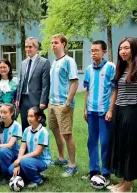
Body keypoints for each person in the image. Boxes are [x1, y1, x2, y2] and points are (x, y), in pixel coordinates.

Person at [107, 37, 137, 192]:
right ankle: (123, 182)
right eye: (120, 49)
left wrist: (130, 108)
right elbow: (117, 91)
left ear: (134, 49)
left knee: (131, 149)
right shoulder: (123, 68)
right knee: (121, 147)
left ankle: (127, 186)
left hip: (132, 113)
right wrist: (115, 109)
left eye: (126, 48)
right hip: (119, 111)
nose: (122, 52)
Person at [81, 40, 116, 184]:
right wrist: (84, 109)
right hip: (91, 112)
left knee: (106, 142)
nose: (93, 53)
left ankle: (106, 172)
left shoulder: (111, 67)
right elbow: (87, 90)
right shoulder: (88, 69)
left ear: (104, 52)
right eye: (91, 50)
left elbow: (115, 90)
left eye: (96, 50)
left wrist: (111, 110)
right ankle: (93, 170)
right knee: (92, 142)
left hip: (104, 112)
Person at [49, 34, 79, 177]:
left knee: (66, 134)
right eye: (52, 43)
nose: (53, 45)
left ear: (63, 44)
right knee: (55, 131)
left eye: (56, 43)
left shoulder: (69, 61)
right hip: (53, 103)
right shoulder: (54, 62)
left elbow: (74, 82)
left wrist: (67, 102)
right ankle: (61, 158)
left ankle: (72, 165)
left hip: (63, 104)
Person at [8, 106, 51, 189]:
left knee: (25, 162)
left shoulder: (43, 132)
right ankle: (33, 175)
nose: (29, 118)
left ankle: (37, 180)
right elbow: (23, 148)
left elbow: (37, 152)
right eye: (28, 116)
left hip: (42, 160)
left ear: (39, 118)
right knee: (11, 170)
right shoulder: (27, 130)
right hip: (28, 159)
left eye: (31, 116)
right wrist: (17, 164)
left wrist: (20, 160)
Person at [15, 37, 50, 131]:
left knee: (37, 126)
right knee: (25, 126)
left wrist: (43, 101)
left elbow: (45, 84)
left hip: (36, 100)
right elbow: (20, 81)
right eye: (26, 47)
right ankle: (25, 146)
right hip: (23, 100)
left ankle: (38, 145)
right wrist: (17, 98)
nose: (27, 49)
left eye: (30, 47)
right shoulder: (23, 63)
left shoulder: (44, 62)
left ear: (36, 48)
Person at [0, 59, 18, 128]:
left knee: (11, 131)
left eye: (4, 67)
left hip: (11, 111)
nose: (2, 69)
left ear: (9, 67)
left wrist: (17, 109)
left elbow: (18, 95)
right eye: (0, 67)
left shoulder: (15, 80)